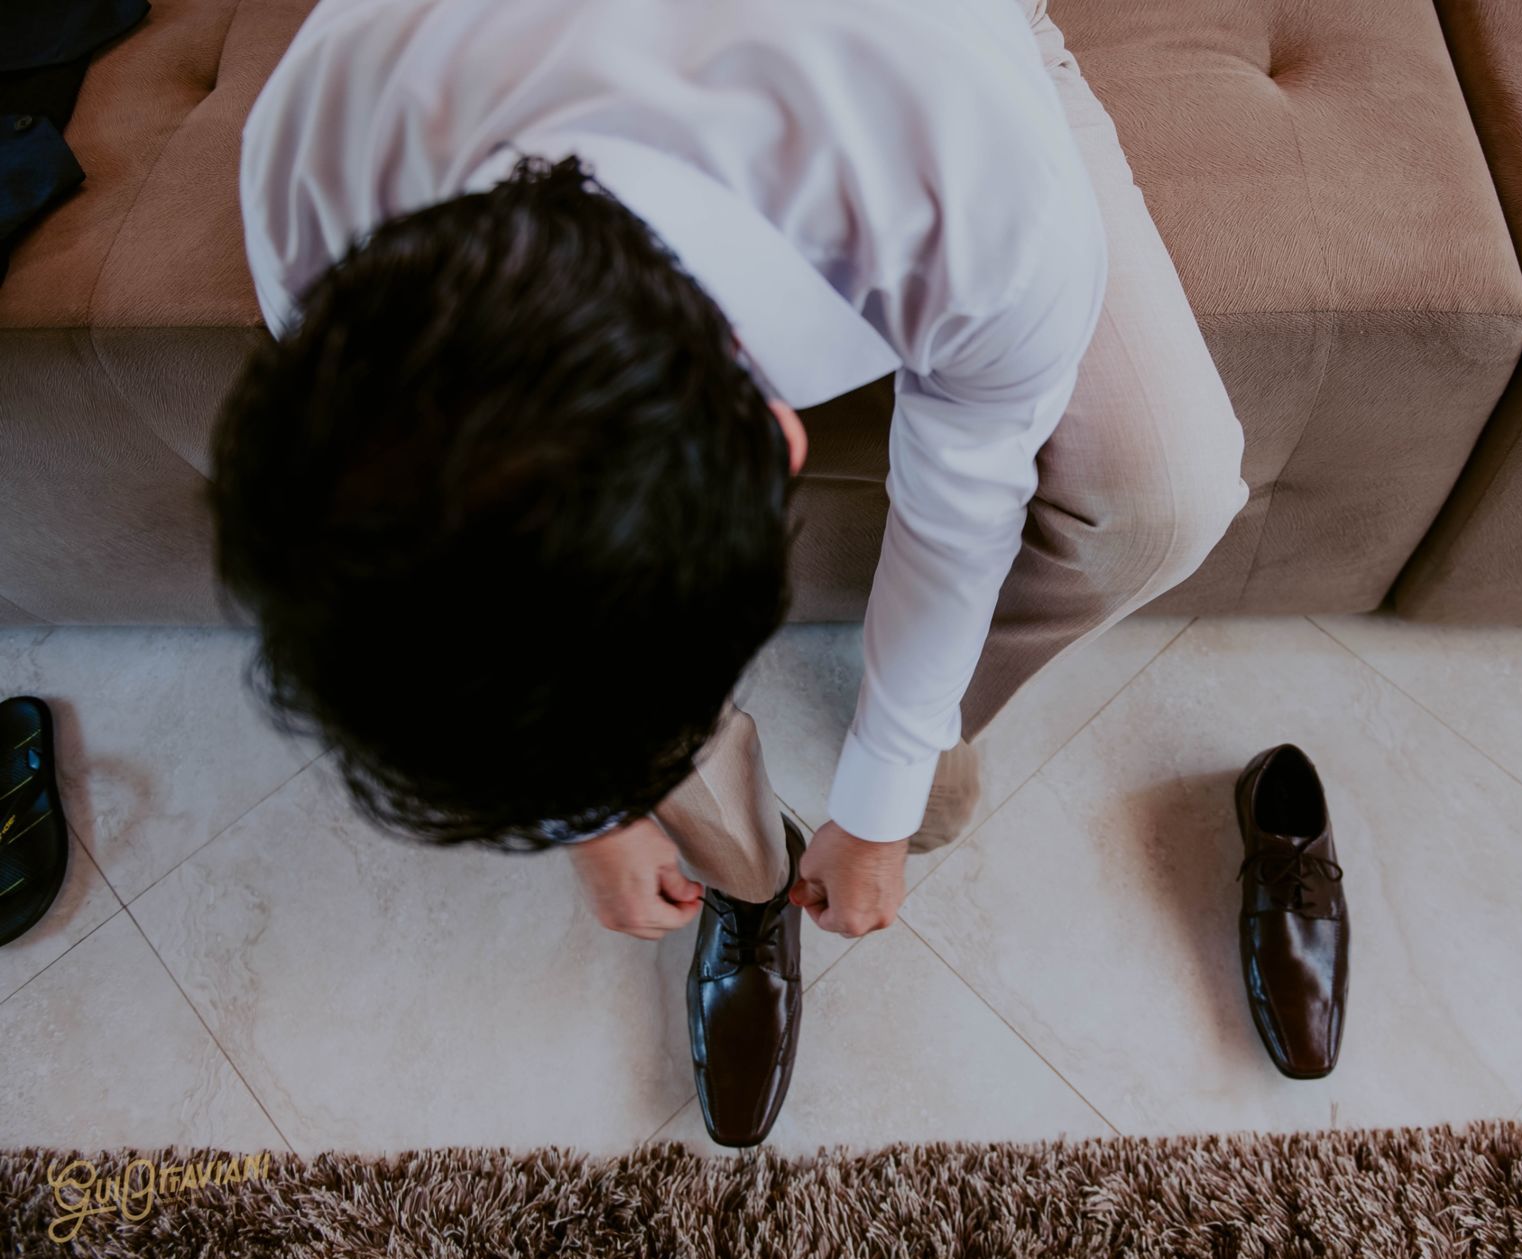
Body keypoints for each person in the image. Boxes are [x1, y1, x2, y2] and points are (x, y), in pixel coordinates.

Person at [214, 0, 1248, 1146]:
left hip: (950, 41)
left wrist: (883, 788)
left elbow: (964, 497)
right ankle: (748, 869)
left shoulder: (971, 183)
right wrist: (590, 817)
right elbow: (412, 536)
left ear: (780, 436)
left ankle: (919, 719)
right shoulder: (317, 160)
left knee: (1167, 498)